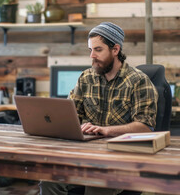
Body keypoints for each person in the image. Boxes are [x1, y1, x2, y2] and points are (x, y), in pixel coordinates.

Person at [40, 22, 158, 195]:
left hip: (120, 159)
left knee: (97, 184)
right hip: (85, 156)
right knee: (48, 181)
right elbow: (70, 114)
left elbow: (146, 127)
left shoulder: (139, 81)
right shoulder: (86, 78)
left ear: (115, 49)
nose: (92, 56)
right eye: (90, 50)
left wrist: (106, 130)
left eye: (98, 50)